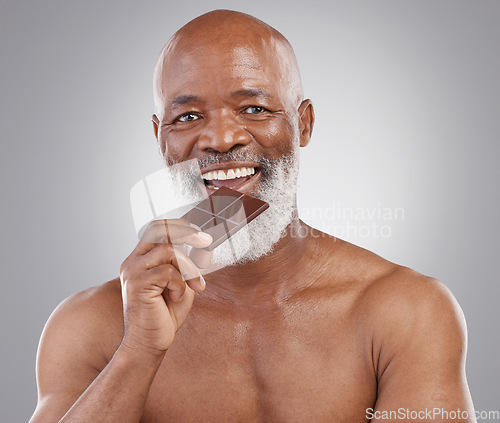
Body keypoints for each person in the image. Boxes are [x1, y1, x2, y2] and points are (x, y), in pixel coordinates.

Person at [30, 9, 475, 423]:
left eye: (254, 109)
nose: (220, 139)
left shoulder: (406, 312)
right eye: (187, 116)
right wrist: (138, 352)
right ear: (160, 138)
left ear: (304, 124)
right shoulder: (90, 327)